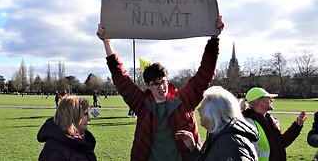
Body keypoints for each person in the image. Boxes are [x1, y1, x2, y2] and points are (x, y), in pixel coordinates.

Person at [96, 16, 224, 160]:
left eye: (163, 82)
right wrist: (106, 43)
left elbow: (205, 74)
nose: (161, 87)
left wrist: (214, 38)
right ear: (148, 86)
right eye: (155, 84)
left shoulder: (184, 100)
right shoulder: (142, 104)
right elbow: (121, 78)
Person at [175, 86, 259, 160]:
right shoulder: (220, 135)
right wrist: (192, 148)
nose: (199, 110)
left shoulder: (230, 143)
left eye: (202, 107)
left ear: (213, 113)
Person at [241, 87, 307, 161]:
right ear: (258, 101)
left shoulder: (271, 119)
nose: (271, 100)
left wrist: (297, 126)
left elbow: (281, 143)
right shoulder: (247, 122)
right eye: (268, 97)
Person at [37, 96, 96, 161]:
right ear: (73, 117)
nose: (89, 119)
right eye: (85, 114)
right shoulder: (55, 152)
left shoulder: (80, 139)